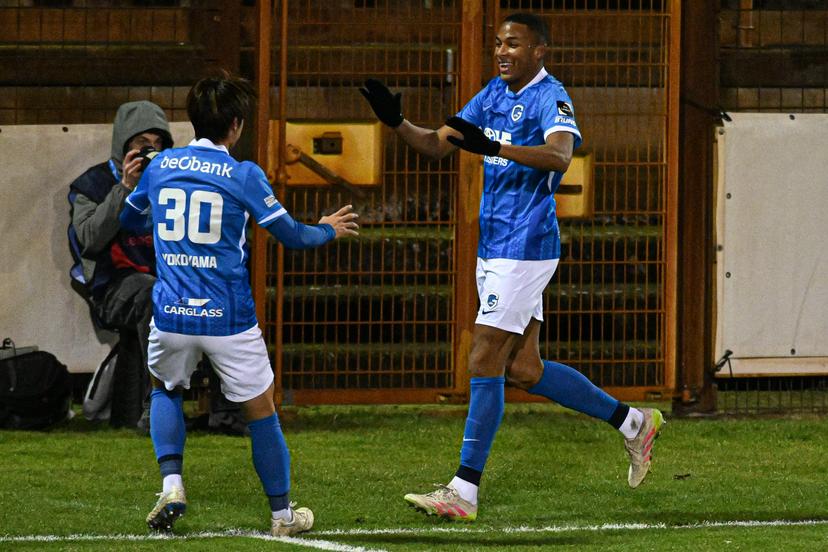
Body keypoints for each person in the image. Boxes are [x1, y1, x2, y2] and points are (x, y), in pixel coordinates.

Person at [359, 12, 664, 521]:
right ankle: (634, 423)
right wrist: (396, 122)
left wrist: (496, 146)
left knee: (483, 357)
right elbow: (436, 144)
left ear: (539, 51)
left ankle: (463, 491)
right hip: (495, 245)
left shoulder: (551, 96)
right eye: (499, 43)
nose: (502, 51)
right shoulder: (492, 94)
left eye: (514, 44)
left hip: (526, 246)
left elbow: (560, 155)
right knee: (524, 369)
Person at [120, 73, 359, 536]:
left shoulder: (162, 165)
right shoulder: (243, 174)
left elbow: (129, 221)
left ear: (193, 120)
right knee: (261, 410)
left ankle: (172, 485)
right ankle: (283, 516)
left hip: (171, 313)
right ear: (236, 125)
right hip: (227, 317)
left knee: (165, 390)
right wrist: (328, 228)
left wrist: (143, 196)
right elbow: (293, 236)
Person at [69, 100, 173, 430]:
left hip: (163, 279)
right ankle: (155, 407)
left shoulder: (170, 182)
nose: (150, 152)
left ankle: (227, 412)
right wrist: (124, 188)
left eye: (158, 144)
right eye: (142, 144)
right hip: (112, 285)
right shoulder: (92, 184)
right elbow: (89, 239)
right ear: (124, 145)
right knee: (153, 295)